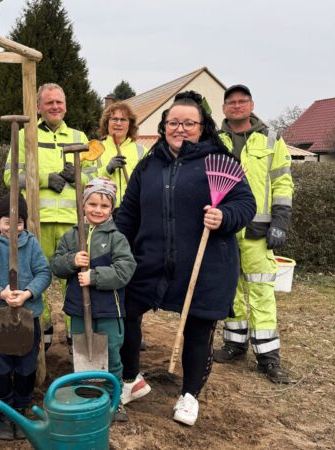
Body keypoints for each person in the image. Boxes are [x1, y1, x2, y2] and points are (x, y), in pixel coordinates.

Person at [114, 91, 255, 426]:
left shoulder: (220, 162)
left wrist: (225, 217)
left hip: (204, 264)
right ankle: (131, 380)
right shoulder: (149, 164)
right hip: (151, 261)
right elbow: (129, 212)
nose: (180, 129)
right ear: (163, 127)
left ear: (202, 127)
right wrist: (111, 242)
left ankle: (190, 395)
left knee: (198, 326)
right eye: (173, 122)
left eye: (188, 123)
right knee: (126, 310)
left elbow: (245, 204)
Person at [213, 85, 294, 384]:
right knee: (230, 289)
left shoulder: (271, 139)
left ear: (251, 105)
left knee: (260, 291)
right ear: (224, 108)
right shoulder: (214, 139)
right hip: (224, 229)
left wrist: (280, 222)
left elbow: (283, 184)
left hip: (257, 232)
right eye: (231, 102)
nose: (236, 106)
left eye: (242, 101)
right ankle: (234, 345)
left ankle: (268, 357)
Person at [3, 82, 91, 351]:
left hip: (71, 223)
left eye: (59, 102)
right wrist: (43, 178)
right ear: (39, 106)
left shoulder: (79, 136)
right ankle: (43, 327)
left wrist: (74, 175)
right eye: (49, 102)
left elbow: (92, 177)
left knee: (74, 280)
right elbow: (10, 176)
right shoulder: (26, 135)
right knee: (35, 278)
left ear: (65, 105)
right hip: (36, 223)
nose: (55, 106)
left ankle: (74, 329)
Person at [50, 177, 137, 422]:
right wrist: (72, 261)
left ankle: (114, 398)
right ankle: (87, 397)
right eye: (93, 204)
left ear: (111, 209)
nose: (98, 210)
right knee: (82, 353)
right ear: (83, 205)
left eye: (104, 206)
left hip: (110, 309)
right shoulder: (72, 235)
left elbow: (125, 270)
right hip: (79, 309)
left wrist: (95, 276)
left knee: (110, 354)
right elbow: (55, 264)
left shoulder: (116, 238)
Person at [0, 194, 51, 441]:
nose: (13, 227)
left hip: (27, 320)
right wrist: (1, 293)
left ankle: (20, 409)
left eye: (18, 222)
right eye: (8, 221)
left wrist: (27, 293)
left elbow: (44, 273)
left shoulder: (32, 245)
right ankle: (4, 412)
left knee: (26, 367)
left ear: (24, 223)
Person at [93, 103, 147, 206]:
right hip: (101, 211)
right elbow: (87, 180)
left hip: (131, 211)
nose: (118, 123)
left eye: (123, 120)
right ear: (106, 123)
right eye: (114, 119)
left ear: (130, 124)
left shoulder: (142, 151)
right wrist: (107, 169)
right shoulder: (95, 149)